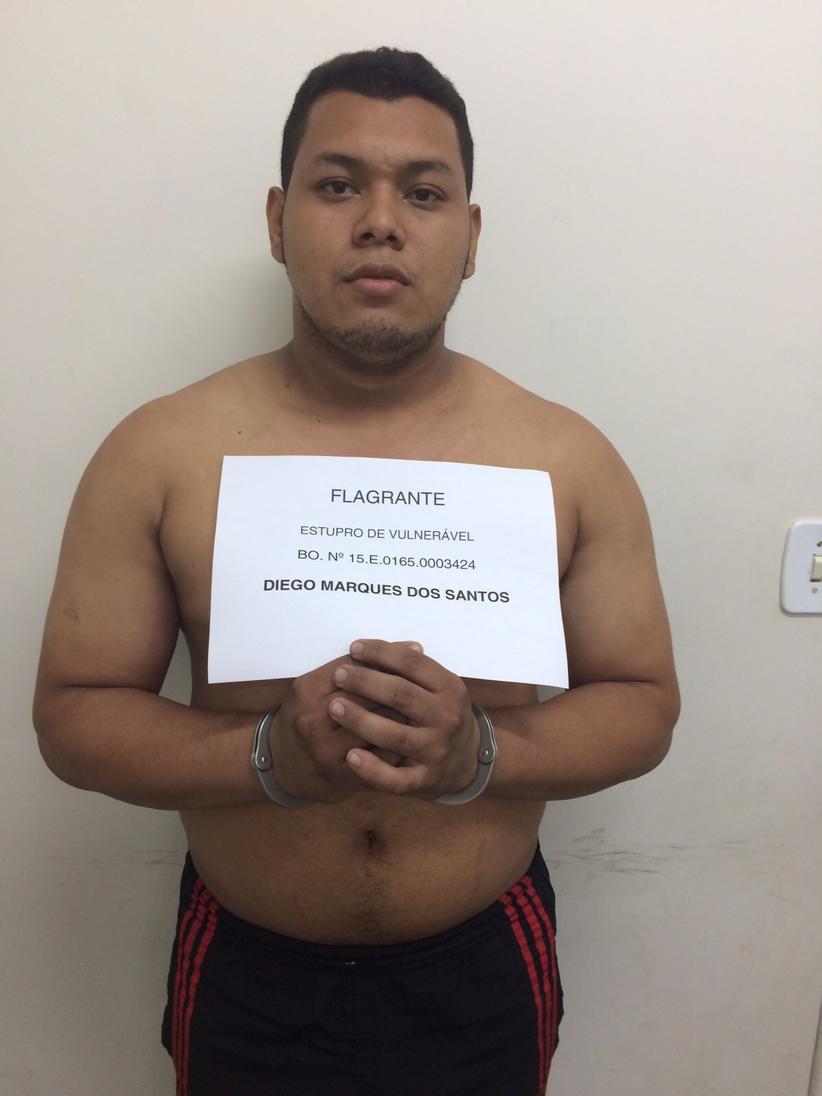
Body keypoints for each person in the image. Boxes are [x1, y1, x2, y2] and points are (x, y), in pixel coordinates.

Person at [33, 47, 680, 1096]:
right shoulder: (161, 453)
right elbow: (73, 716)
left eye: (423, 192)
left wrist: (480, 750)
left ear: (471, 236)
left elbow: (644, 704)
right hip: (249, 967)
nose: (381, 222)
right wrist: (264, 755)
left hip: (480, 960)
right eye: (338, 186)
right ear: (277, 219)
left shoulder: (565, 459)